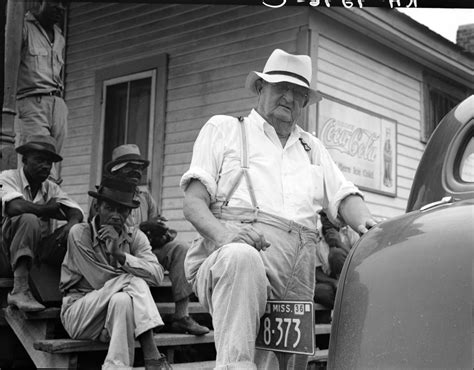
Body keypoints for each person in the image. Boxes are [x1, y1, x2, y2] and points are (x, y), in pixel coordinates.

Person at [180, 48, 378, 369]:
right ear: (261, 88)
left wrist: (368, 224)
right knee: (241, 260)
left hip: (297, 272)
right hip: (232, 259)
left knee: (285, 364)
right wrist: (226, 237)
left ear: (304, 102)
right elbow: (192, 203)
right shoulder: (226, 129)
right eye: (280, 87)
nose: (289, 97)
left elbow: (343, 196)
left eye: (298, 92)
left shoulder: (311, 147)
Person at [89, 144, 210, 336]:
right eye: (131, 167)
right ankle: (142, 322)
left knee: (180, 248)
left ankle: (181, 316)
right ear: (116, 170)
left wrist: (161, 232)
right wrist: (144, 228)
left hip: (146, 250)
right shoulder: (106, 196)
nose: (137, 172)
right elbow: (104, 233)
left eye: (139, 168)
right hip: (117, 254)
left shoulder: (144, 196)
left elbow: (157, 224)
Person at [59, 175, 172, 369]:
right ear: (97, 207)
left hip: (116, 318)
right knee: (133, 281)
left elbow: (156, 275)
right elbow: (99, 280)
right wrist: (128, 268)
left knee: (122, 300)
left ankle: (116, 366)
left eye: (122, 210)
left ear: (129, 212)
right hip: (80, 313)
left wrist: (120, 255)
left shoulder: (136, 237)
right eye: (109, 208)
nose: (115, 215)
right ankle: (151, 353)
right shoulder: (80, 233)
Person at [0, 135, 84, 312]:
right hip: (4, 254)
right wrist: (46, 209)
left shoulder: (50, 187)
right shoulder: (7, 177)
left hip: (35, 257)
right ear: (25, 160)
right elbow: (15, 206)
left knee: (76, 230)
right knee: (28, 218)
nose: (45, 166)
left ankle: (73, 289)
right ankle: (20, 290)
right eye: (39, 160)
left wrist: (72, 223)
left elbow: (75, 210)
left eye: (49, 162)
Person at [14, 0, 68, 182]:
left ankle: (49, 202)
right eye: (54, 3)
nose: (60, 9)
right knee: (36, 157)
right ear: (39, 3)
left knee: (52, 162)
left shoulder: (59, 35)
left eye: (63, 4)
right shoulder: (22, 28)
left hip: (57, 103)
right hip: (32, 101)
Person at [314, 210, 360, 311]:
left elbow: (360, 262)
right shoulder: (315, 237)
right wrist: (335, 282)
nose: (325, 218)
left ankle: (348, 302)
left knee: (336, 254)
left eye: (328, 215)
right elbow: (317, 272)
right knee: (319, 291)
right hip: (330, 281)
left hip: (351, 278)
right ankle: (346, 308)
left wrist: (339, 243)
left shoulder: (350, 232)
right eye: (322, 215)